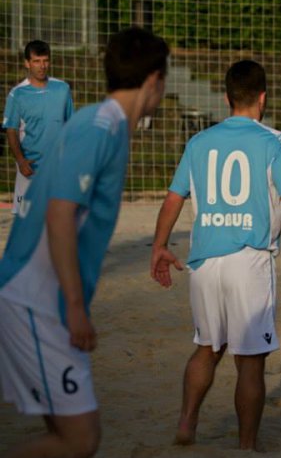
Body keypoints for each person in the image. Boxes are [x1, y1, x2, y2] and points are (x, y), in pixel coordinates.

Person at [0, 27, 169, 458]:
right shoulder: (101, 127)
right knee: (80, 440)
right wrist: (75, 307)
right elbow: (59, 214)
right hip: (37, 300)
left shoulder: (100, 122)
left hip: (38, 296)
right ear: (153, 80)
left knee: (65, 432)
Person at [150, 60, 281, 450]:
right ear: (264, 97)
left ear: (227, 98)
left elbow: (173, 199)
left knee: (208, 347)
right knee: (250, 361)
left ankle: (186, 423)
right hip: (249, 261)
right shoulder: (275, 141)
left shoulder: (198, 142)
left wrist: (160, 246)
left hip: (204, 262)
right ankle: (246, 447)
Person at [3, 40, 74, 214]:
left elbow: (71, 126)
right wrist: (20, 160)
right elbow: (11, 130)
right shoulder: (17, 94)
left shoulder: (62, 89)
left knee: (59, 222)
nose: (42, 66)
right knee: (26, 223)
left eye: (45, 61)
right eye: (36, 61)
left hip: (58, 167)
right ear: (27, 63)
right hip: (30, 169)